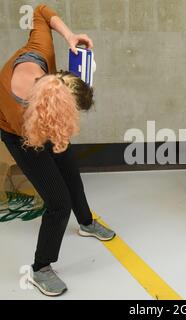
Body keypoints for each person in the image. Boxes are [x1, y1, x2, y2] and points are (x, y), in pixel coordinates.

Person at [0, 5, 115, 297]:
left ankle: (87, 223)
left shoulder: (40, 50)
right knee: (59, 201)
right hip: (18, 135)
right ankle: (41, 268)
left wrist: (69, 35)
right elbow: (38, 135)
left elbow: (41, 11)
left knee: (70, 172)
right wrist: (51, 136)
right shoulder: (20, 116)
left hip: (41, 117)